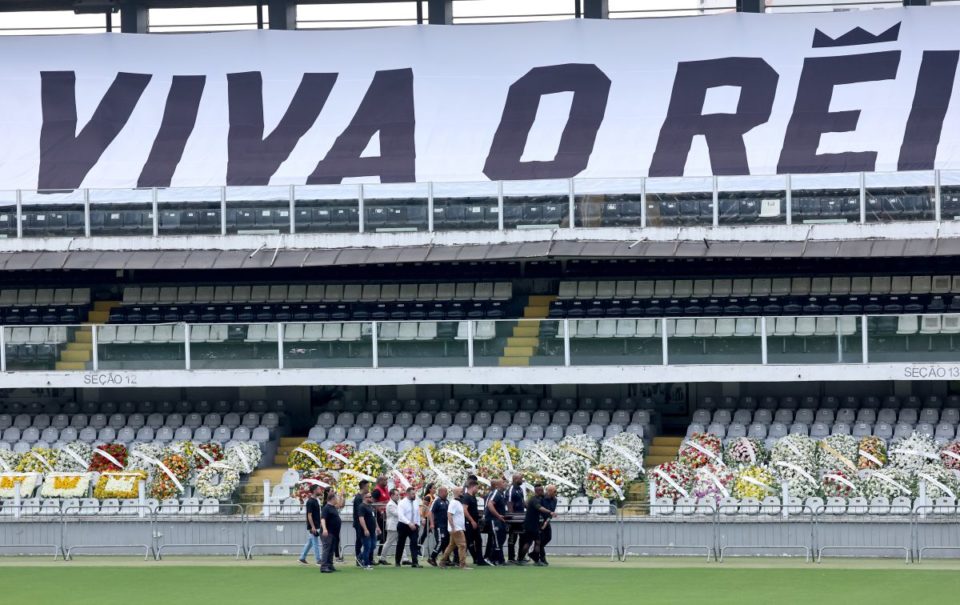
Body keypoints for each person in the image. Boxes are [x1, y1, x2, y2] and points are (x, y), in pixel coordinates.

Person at [518, 485, 556, 565]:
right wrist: (550, 512)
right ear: (537, 491)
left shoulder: (538, 499)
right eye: (541, 490)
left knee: (535, 542)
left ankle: (527, 559)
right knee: (531, 542)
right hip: (531, 524)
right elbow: (539, 508)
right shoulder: (534, 499)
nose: (543, 492)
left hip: (534, 523)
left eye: (543, 490)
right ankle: (529, 559)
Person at [438, 487, 471, 570]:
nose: (462, 493)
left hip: (457, 528)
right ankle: (462, 564)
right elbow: (449, 514)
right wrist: (453, 527)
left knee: (451, 546)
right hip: (456, 529)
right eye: (461, 492)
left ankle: (442, 562)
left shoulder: (458, 502)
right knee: (462, 545)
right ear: (456, 493)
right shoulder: (454, 503)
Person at [395, 486, 423, 568]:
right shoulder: (402, 503)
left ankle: (415, 562)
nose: (414, 495)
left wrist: (418, 523)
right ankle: (397, 561)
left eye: (414, 494)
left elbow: (417, 513)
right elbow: (401, 516)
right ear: (407, 494)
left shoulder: (415, 502)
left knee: (414, 543)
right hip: (403, 525)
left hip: (414, 526)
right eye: (412, 494)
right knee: (401, 543)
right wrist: (409, 523)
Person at [461, 480, 487, 566]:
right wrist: (472, 521)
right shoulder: (466, 497)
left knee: (478, 540)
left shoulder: (473, 497)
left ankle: (479, 559)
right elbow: (464, 510)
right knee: (469, 542)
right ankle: (470, 559)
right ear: (472, 487)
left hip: (474, 522)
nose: (477, 490)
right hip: (469, 523)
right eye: (477, 488)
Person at [297, 484, 323, 566]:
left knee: (310, 543)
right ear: (314, 490)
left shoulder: (315, 500)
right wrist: (313, 527)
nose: (320, 490)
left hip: (316, 525)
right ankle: (318, 560)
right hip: (313, 526)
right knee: (315, 543)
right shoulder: (310, 501)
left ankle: (302, 558)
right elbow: (309, 515)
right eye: (319, 489)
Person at [484, 479, 508, 565]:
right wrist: (498, 515)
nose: (505, 484)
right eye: (503, 483)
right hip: (494, 520)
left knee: (501, 538)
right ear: (498, 485)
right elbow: (490, 505)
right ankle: (490, 558)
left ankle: (498, 559)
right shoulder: (496, 493)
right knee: (497, 540)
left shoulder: (501, 494)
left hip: (498, 520)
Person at [319, 490, 341, 573]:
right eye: (336, 498)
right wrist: (324, 529)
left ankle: (330, 565)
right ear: (332, 499)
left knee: (331, 549)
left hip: (333, 532)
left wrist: (342, 496)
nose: (337, 499)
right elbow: (323, 519)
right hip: (328, 532)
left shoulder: (333, 507)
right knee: (327, 549)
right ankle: (324, 566)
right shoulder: (326, 508)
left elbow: (341, 505)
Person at [427, 487, 451, 566]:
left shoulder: (447, 501)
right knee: (441, 542)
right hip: (439, 526)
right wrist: (432, 523)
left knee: (447, 542)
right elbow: (430, 512)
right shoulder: (436, 501)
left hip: (446, 526)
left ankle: (446, 559)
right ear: (441, 492)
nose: (447, 493)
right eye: (446, 492)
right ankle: (432, 557)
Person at [378, 488, 400, 565]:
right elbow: (397, 513)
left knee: (400, 542)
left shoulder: (397, 503)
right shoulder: (390, 504)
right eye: (397, 495)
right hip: (393, 526)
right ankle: (382, 558)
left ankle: (404, 558)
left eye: (398, 495)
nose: (398, 496)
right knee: (388, 542)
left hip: (396, 525)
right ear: (392, 495)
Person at [507, 474, 526, 563]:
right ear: (515, 479)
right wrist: (512, 518)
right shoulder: (511, 490)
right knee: (512, 538)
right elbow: (509, 503)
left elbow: (523, 502)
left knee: (522, 537)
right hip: (514, 519)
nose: (522, 480)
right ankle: (511, 558)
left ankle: (520, 557)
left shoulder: (520, 489)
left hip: (521, 517)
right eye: (520, 479)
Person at [537, 485, 558, 566]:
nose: (556, 493)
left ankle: (536, 551)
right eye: (554, 491)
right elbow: (540, 510)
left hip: (547, 521)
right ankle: (542, 558)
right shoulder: (541, 499)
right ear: (549, 491)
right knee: (541, 539)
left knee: (548, 538)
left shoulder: (555, 500)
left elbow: (552, 512)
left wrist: (547, 522)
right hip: (539, 521)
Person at [358, 492, 379, 570]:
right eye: (369, 497)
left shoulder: (370, 506)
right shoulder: (362, 507)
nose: (371, 498)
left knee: (373, 546)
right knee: (367, 547)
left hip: (372, 530)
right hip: (366, 531)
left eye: (371, 497)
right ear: (365, 498)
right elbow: (361, 518)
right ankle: (366, 564)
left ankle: (360, 557)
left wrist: (377, 527)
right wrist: (365, 529)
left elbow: (374, 518)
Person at [352, 480, 370, 566]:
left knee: (364, 541)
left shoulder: (363, 497)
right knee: (359, 541)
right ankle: (358, 558)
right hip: (359, 523)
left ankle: (364, 557)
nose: (368, 488)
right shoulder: (358, 498)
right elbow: (359, 513)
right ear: (363, 487)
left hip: (362, 522)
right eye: (367, 486)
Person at [372, 475, 390, 563]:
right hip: (379, 515)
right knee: (382, 535)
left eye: (387, 480)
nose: (386, 482)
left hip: (386, 515)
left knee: (385, 535)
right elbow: (372, 503)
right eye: (384, 480)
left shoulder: (385, 489)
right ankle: (373, 543)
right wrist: (380, 510)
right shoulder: (376, 491)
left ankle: (380, 554)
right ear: (379, 481)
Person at [418, 483, 435, 556]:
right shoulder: (428, 497)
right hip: (427, 517)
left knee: (425, 533)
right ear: (430, 489)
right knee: (424, 533)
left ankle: (418, 548)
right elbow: (423, 508)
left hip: (431, 517)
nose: (435, 489)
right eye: (434, 488)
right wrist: (423, 518)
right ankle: (418, 548)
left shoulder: (433, 497)